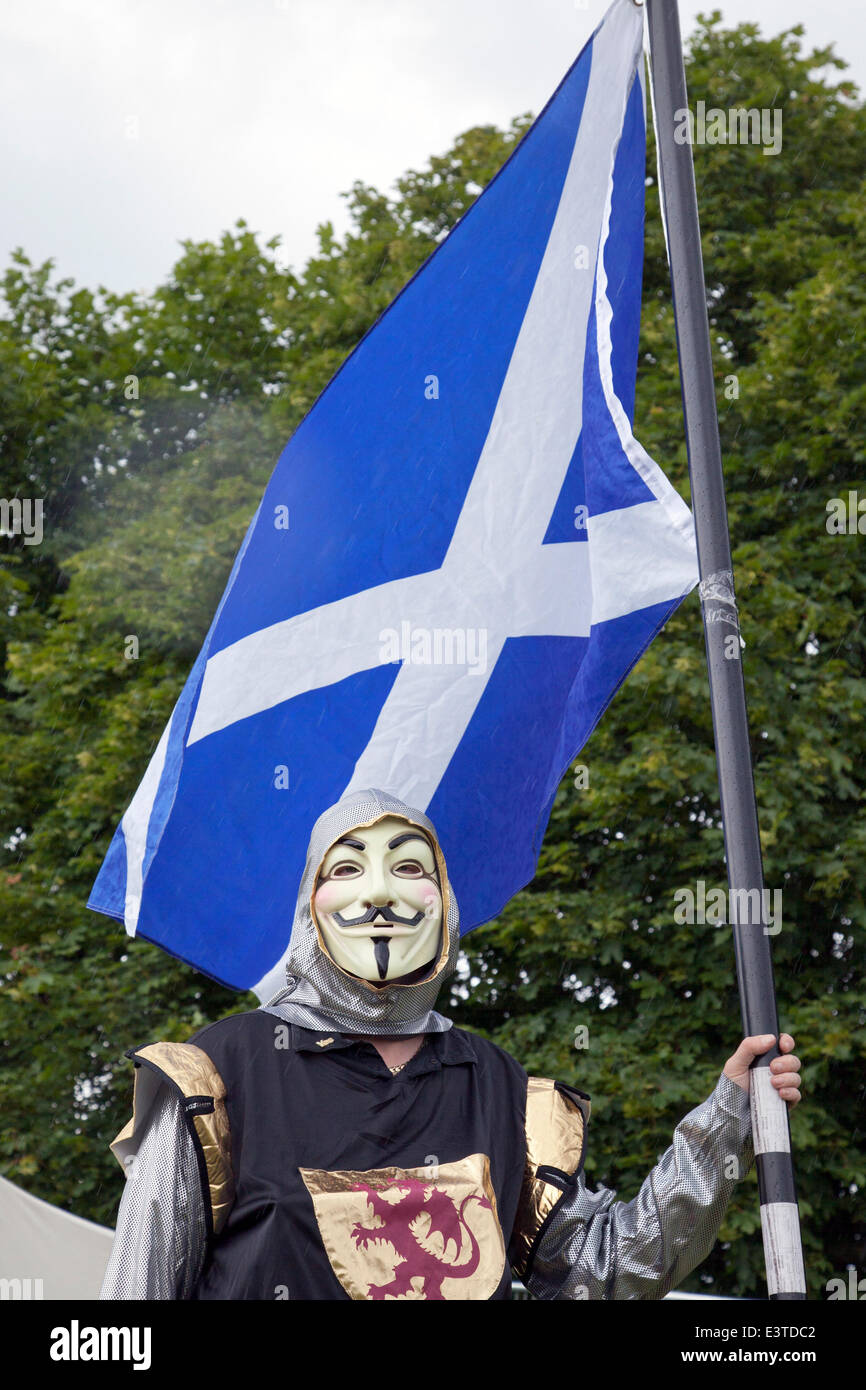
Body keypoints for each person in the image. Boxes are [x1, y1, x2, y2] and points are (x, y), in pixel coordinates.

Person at [99, 788, 802, 1301]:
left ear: (445, 901)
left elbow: (601, 1274)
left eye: (409, 867)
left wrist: (728, 1118)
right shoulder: (218, 1076)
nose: (378, 894)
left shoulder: (495, 1084)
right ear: (307, 905)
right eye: (345, 869)